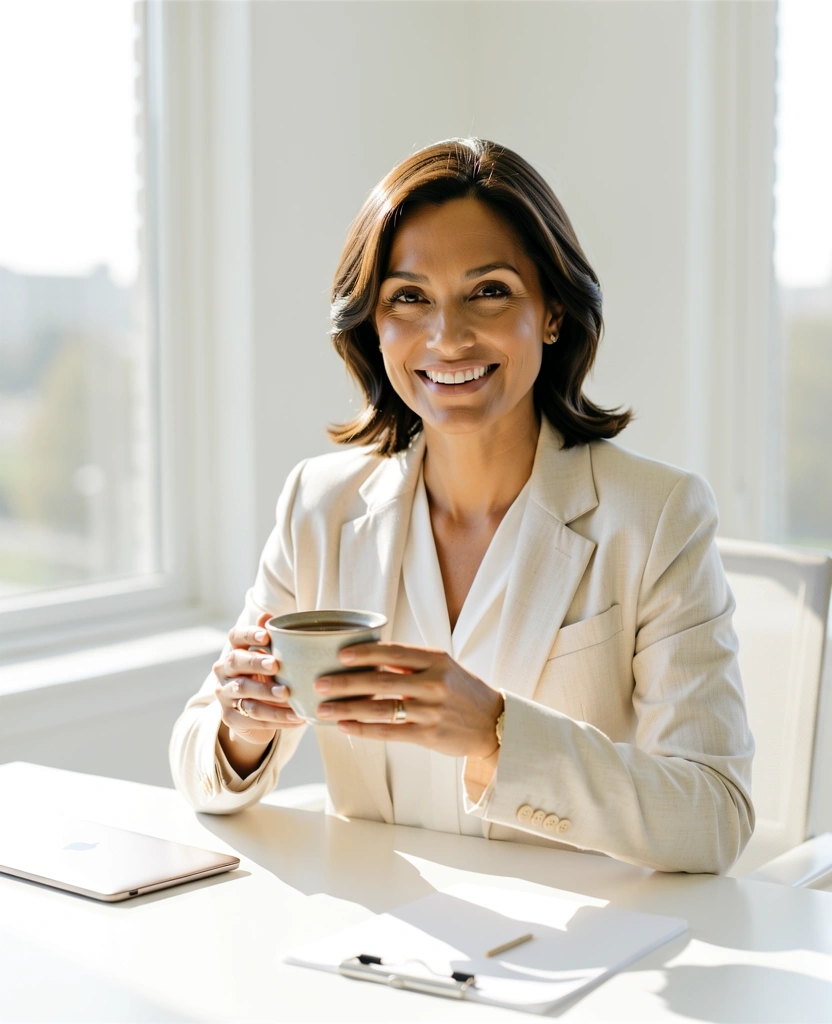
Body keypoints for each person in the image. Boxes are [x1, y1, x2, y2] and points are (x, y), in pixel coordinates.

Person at [170, 138, 754, 873]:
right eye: (408, 298)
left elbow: (714, 818)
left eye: (489, 291)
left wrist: (498, 734)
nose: (447, 336)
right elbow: (200, 773)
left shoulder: (658, 514)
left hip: (581, 949)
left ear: (551, 312)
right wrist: (242, 723)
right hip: (374, 949)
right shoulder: (317, 505)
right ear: (374, 327)